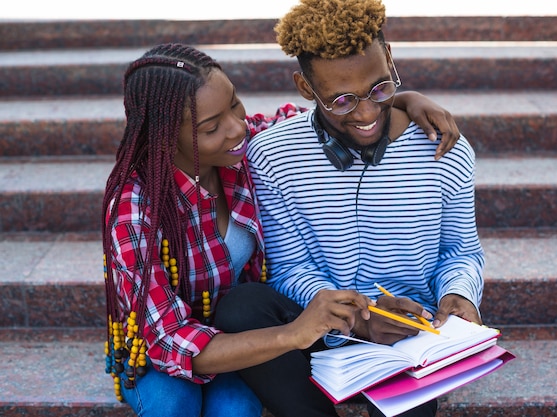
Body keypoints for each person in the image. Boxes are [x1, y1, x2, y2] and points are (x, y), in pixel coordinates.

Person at [101, 41, 463, 417]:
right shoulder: (135, 209)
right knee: (173, 406)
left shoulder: (251, 146)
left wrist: (407, 100)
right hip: (174, 345)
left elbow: (339, 109)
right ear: (163, 139)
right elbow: (167, 340)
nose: (236, 127)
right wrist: (293, 333)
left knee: (234, 410)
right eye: (210, 128)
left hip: (245, 333)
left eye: (234, 105)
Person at [216, 1, 485, 416]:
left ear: (390, 58)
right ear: (306, 90)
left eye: (380, 88)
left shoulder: (444, 148)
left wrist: (459, 294)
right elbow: (290, 269)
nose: (366, 112)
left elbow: (460, 252)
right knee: (242, 306)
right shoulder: (272, 155)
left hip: (409, 332)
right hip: (317, 324)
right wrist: (357, 319)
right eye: (341, 100)